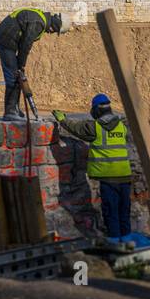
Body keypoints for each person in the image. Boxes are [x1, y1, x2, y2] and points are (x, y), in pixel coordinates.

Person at [52, 93, 132, 240]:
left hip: (109, 178)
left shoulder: (96, 127)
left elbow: (78, 128)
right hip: (125, 175)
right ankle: (128, 240)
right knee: (124, 210)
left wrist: (63, 119)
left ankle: (115, 244)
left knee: (111, 211)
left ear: (96, 110)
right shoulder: (121, 126)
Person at [0, 8, 63, 119]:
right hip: (5, 40)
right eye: (53, 30)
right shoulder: (38, 23)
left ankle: (14, 108)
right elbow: (25, 45)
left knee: (17, 76)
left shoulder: (40, 18)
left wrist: (20, 66)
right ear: (54, 26)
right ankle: (10, 112)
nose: (50, 32)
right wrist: (21, 65)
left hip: (9, 39)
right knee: (13, 77)